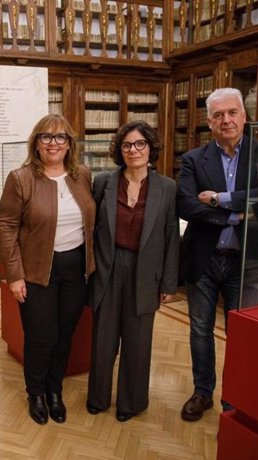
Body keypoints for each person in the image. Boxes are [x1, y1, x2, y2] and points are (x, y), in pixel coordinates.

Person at [177, 87, 258, 422]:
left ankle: (236, 396)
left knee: (243, 332)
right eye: (219, 115)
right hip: (204, 259)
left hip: (247, 261)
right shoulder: (194, 159)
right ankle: (203, 392)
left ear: (244, 116)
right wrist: (236, 214)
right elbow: (186, 205)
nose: (226, 120)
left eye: (232, 113)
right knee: (199, 328)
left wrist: (219, 198)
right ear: (209, 122)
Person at [0, 113, 95, 425]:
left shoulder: (82, 174)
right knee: (41, 335)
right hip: (37, 269)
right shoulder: (20, 178)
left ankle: (55, 390)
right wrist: (15, 275)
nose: (54, 143)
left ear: (69, 144)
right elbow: (7, 227)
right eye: (46, 137)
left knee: (65, 333)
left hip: (76, 267)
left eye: (60, 137)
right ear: (36, 143)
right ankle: (36, 393)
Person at [86, 120, 179, 422]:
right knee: (103, 338)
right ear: (119, 151)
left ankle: (132, 402)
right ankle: (98, 398)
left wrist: (168, 282)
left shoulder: (167, 187)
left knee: (138, 341)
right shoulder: (103, 182)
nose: (133, 150)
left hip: (145, 271)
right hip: (109, 268)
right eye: (127, 145)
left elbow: (170, 237)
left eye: (140, 144)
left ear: (151, 148)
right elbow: (92, 229)